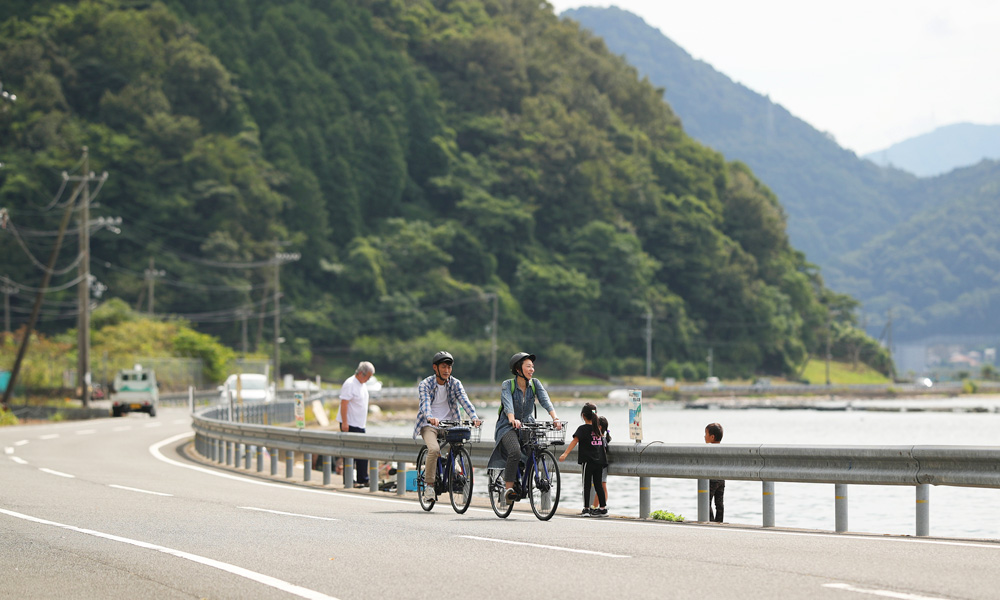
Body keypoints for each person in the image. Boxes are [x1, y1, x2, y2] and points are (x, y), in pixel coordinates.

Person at [488, 352, 562, 508]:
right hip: (507, 426)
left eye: (532, 366)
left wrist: (555, 418)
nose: (532, 369)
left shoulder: (535, 384)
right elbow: (507, 403)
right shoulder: (508, 385)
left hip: (527, 424)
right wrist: (511, 418)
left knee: (534, 450)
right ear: (518, 369)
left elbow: (545, 400)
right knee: (515, 451)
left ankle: (523, 480)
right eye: (528, 366)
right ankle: (508, 489)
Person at [413, 351, 482, 502]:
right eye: (443, 367)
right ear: (435, 367)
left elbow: (464, 400)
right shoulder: (425, 384)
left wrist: (474, 417)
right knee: (434, 449)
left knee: (457, 446)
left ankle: (450, 468)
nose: (447, 370)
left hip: (450, 424)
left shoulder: (455, 383)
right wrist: (430, 417)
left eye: (449, 367)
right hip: (429, 424)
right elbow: (425, 403)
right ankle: (429, 486)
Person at [559, 403, 608, 517]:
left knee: (586, 485)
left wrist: (565, 454)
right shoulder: (598, 429)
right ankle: (602, 509)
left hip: (588, 461)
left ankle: (586, 509)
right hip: (599, 461)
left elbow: (574, 441)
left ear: (583, 415)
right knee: (598, 485)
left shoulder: (582, 429)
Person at [336, 361, 375, 487]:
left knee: (362, 452)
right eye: (368, 376)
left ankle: (362, 479)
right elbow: (344, 403)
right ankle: (349, 480)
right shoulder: (350, 383)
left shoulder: (362, 384)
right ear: (361, 373)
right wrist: (344, 422)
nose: (368, 379)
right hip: (350, 423)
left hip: (360, 424)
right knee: (350, 453)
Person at [705, 422, 725, 522]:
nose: (704, 436)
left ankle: (711, 522)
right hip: (721, 478)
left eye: (706, 434)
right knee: (719, 503)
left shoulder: (709, 450)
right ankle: (719, 522)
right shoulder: (723, 449)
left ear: (712, 437)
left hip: (712, 479)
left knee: (706, 501)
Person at [591, 415, 611, 511]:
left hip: (601, 465)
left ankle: (600, 507)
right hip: (600, 464)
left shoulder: (601, 439)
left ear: (599, 427)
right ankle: (595, 507)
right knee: (599, 486)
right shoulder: (602, 438)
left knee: (602, 486)